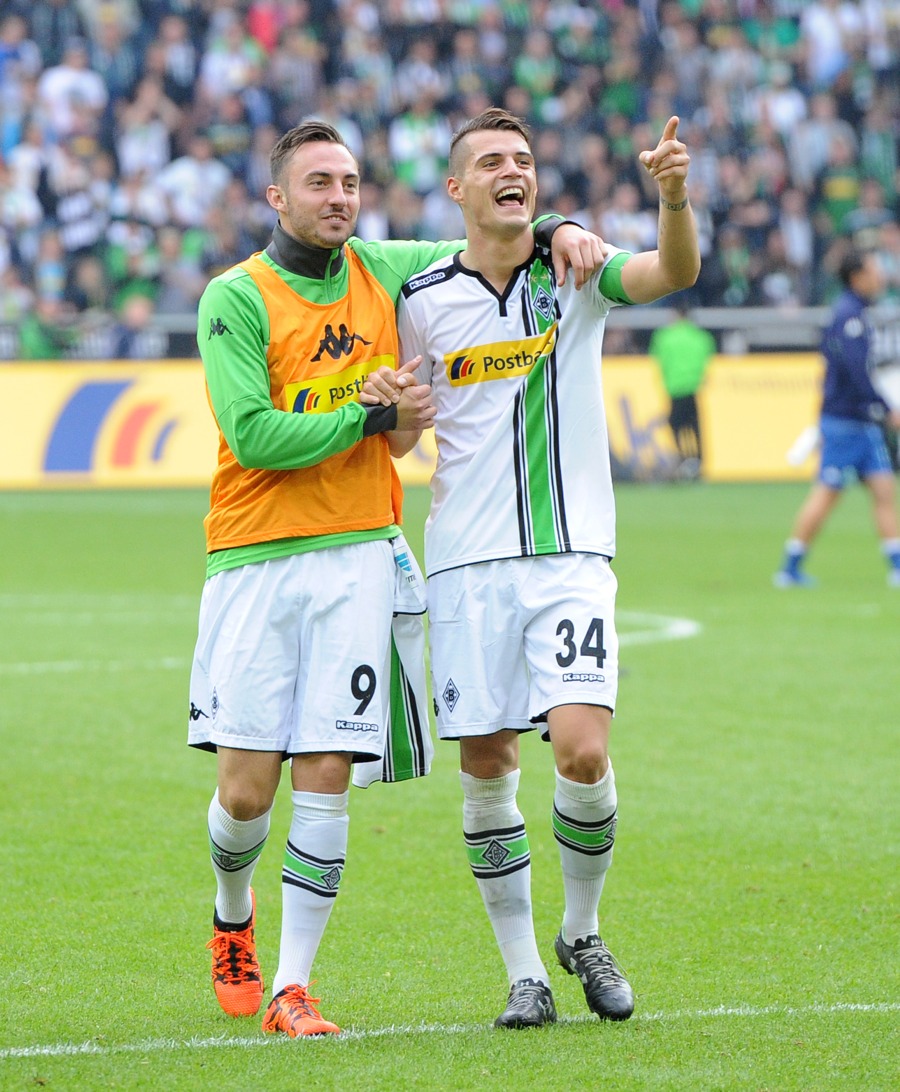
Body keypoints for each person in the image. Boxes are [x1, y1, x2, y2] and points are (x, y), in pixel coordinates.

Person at [188, 119, 608, 1039]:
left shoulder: (383, 266)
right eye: (319, 184)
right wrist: (367, 417)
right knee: (247, 793)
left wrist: (563, 223)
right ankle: (231, 909)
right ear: (277, 199)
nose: (339, 197)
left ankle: (292, 988)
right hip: (255, 559)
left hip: (363, 554)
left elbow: (496, 234)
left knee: (329, 768)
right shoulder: (235, 297)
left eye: (349, 182)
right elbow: (253, 434)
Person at [368, 108, 700, 1028]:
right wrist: (394, 409)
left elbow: (674, 271)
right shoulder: (424, 298)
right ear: (456, 190)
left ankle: (582, 929)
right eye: (491, 162)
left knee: (585, 748)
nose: (512, 171)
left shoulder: (577, 272)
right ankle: (524, 972)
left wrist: (672, 198)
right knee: (488, 762)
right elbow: (401, 447)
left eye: (523, 160)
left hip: (572, 557)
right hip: (468, 564)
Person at [774, 249, 900, 588]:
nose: (880, 276)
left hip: (860, 422)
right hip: (844, 422)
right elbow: (856, 371)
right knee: (827, 494)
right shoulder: (849, 316)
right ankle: (790, 567)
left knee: (884, 490)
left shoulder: (854, 312)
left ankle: (896, 566)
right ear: (857, 276)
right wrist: (886, 409)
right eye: (874, 269)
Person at [649, 301, 716, 479]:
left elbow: (659, 359)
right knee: (695, 427)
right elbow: (707, 358)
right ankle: (698, 461)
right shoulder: (701, 337)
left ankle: (684, 458)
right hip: (693, 388)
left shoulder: (664, 336)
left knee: (675, 424)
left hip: (674, 388)